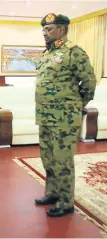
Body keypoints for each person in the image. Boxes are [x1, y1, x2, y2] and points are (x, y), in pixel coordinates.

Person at [35, 13, 96, 217]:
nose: (44, 33)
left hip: (64, 118)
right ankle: (52, 193)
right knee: (48, 158)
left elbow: (89, 83)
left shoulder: (74, 53)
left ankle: (66, 201)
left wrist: (77, 104)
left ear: (61, 30)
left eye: (48, 29)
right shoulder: (47, 54)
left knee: (63, 160)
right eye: (43, 29)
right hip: (45, 116)